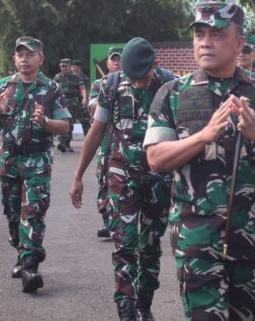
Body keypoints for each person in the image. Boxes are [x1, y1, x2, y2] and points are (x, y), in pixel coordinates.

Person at [143, 2, 255, 320]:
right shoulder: (173, 93)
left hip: (252, 237)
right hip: (197, 238)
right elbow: (155, 158)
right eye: (199, 34)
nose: (205, 42)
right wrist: (203, 136)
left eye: (217, 34)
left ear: (240, 43)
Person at [71, 37, 176, 321]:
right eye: (132, 78)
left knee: (150, 245)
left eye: (142, 78)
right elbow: (97, 131)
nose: (137, 84)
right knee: (124, 243)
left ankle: (144, 303)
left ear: (155, 65)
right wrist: (78, 175)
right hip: (122, 174)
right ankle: (126, 306)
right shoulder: (112, 85)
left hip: (159, 177)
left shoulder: (172, 86)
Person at [0, 37, 72, 293]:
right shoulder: (4, 86)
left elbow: (65, 125)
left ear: (41, 58)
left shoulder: (51, 88)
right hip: (9, 159)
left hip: (37, 161)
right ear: (15, 59)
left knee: (33, 211)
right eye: (20, 54)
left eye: (30, 54)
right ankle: (21, 251)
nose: (24, 59)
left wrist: (45, 121)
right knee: (13, 212)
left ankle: (30, 265)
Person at [90, 47, 123, 239]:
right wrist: (106, 97)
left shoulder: (131, 82)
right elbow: (94, 109)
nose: (117, 63)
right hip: (105, 139)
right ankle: (107, 220)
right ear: (108, 63)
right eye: (113, 60)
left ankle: (119, 222)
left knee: (122, 181)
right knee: (103, 178)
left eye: (120, 59)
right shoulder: (99, 84)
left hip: (125, 139)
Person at [54, 58, 85, 153]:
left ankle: (66, 143)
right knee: (62, 122)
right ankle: (62, 142)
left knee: (71, 124)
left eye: (65, 66)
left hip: (73, 103)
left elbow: (82, 88)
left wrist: (85, 98)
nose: (63, 68)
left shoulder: (76, 77)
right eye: (62, 66)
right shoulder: (57, 77)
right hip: (61, 103)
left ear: (70, 66)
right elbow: (53, 89)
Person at [71, 59, 92, 136]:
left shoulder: (84, 78)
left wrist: (86, 99)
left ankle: (88, 138)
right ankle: (65, 143)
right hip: (70, 102)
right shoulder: (69, 76)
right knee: (69, 122)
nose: (73, 68)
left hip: (81, 102)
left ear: (79, 67)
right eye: (72, 66)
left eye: (74, 66)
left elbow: (86, 89)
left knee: (85, 121)